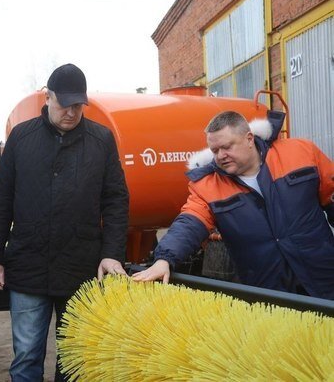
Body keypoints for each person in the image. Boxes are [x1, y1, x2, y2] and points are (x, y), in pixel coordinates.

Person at [0, 63, 129, 381]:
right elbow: (1, 202)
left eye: (78, 104)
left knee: (75, 358)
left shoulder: (101, 140)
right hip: (27, 265)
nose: (72, 112)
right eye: (65, 103)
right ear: (47, 97)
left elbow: (115, 200)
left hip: (80, 267)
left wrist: (112, 253)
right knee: (26, 357)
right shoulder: (22, 138)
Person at [133, 110, 334, 300]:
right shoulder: (207, 186)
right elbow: (190, 222)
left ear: (249, 139)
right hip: (268, 293)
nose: (220, 155)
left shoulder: (300, 153)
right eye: (215, 150)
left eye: (227, 147)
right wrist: (164, 259)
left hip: (324, 276)